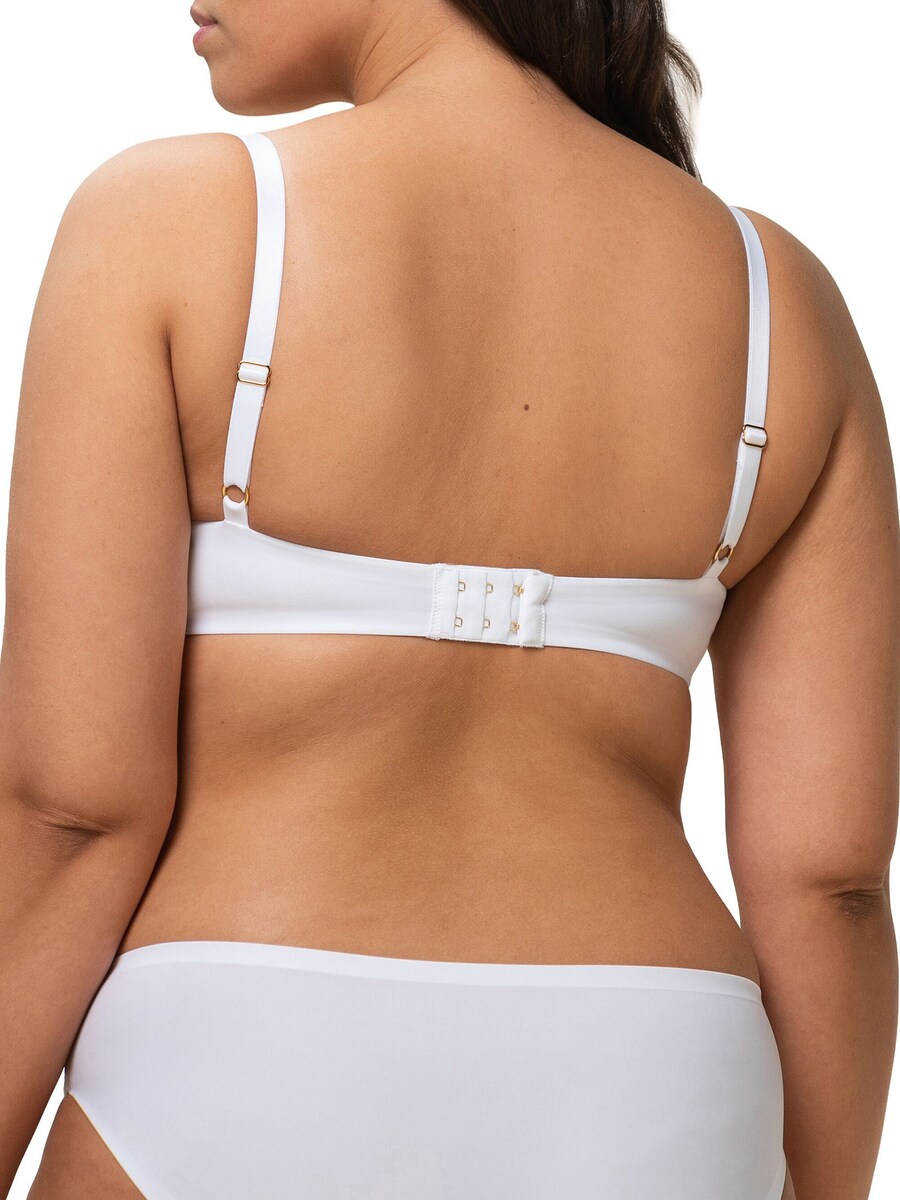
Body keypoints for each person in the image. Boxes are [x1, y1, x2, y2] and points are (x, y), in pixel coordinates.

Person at [1, 2, 897, 1198]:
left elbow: (73, 809)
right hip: (655, 1074)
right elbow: (833, 884)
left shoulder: (172, 222)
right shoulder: (782, 302)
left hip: (243, 1034)